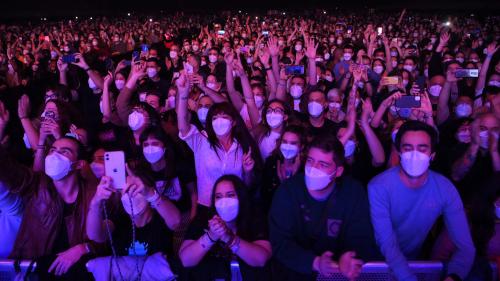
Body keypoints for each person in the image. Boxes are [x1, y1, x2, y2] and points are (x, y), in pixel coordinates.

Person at [368, 120, 475, 281]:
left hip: (413, 262)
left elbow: (466, 247)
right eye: (408, 148)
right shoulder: (379, 186)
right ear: (399, 153)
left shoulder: (445, 189)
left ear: (432, 155)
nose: (414, 155)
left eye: (422, 149)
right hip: (373, 263)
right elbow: (387, 244)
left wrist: (454, 276)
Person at [269, 134, 380, 281]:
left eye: (323, 164)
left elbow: (362, 236)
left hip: (338, 276)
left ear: (338, 171)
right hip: (294, 275)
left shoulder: (353, 192)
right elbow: (280, 242)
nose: (313, 169)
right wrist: (314, 262)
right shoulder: (288, 191)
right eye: (310, 161)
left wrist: (351, 256)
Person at [0, 136, 99, 280]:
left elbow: (108, 236)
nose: (55, 156)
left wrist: (83, 248)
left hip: (75, 274)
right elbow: (9, 170)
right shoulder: (36, 185)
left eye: (64, 152)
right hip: (33, 270)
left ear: (78, 164)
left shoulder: (93, 196)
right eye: (52, 150)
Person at [85, 166, 181, 281]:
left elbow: (176, 222)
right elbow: (94, 235)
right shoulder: (118, 220)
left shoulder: (161, 215)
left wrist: (151, 194)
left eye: (135, 188)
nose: (130, 194)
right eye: (125, 190)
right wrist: (96, 202)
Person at [179, 175, 272, 281]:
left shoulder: (254, 217)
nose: (224, 202)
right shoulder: (202, 219)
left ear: (241, 197)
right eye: (218, 196)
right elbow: (185, 260)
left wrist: (230, 239)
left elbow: (261, 260)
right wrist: (210, 237)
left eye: (230, 195)